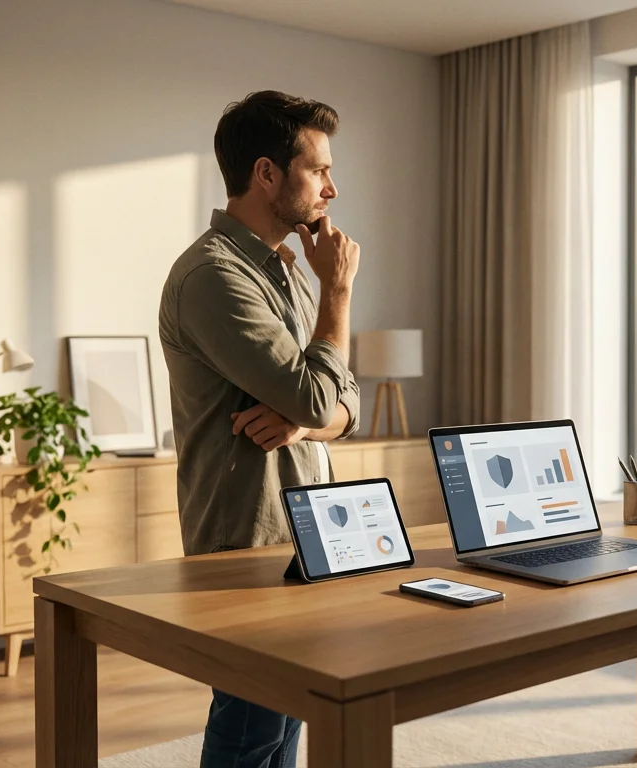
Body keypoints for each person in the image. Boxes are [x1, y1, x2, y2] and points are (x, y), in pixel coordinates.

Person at [158, 90, 361, 768]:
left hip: (304, 527)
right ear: (267, 174)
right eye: (319, 169)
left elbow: (342, 400)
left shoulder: (283, 271)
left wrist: (307, 428)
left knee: (286, 717)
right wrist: (338, 294)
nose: (332, 187)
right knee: (249, 725)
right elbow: (315, 391)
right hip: (247, 535)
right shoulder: (215, 276)